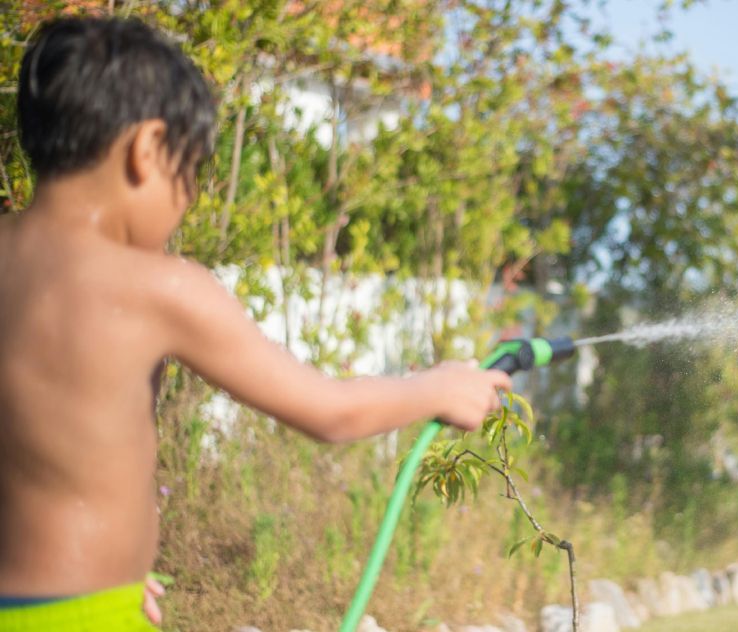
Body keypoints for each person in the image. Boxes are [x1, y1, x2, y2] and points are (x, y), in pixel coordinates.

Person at [0, 16, 512, 630]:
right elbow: (330, 411)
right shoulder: (157, 286)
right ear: (145, 149)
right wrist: (439, 387)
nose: (186, 201)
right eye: (188, 176)